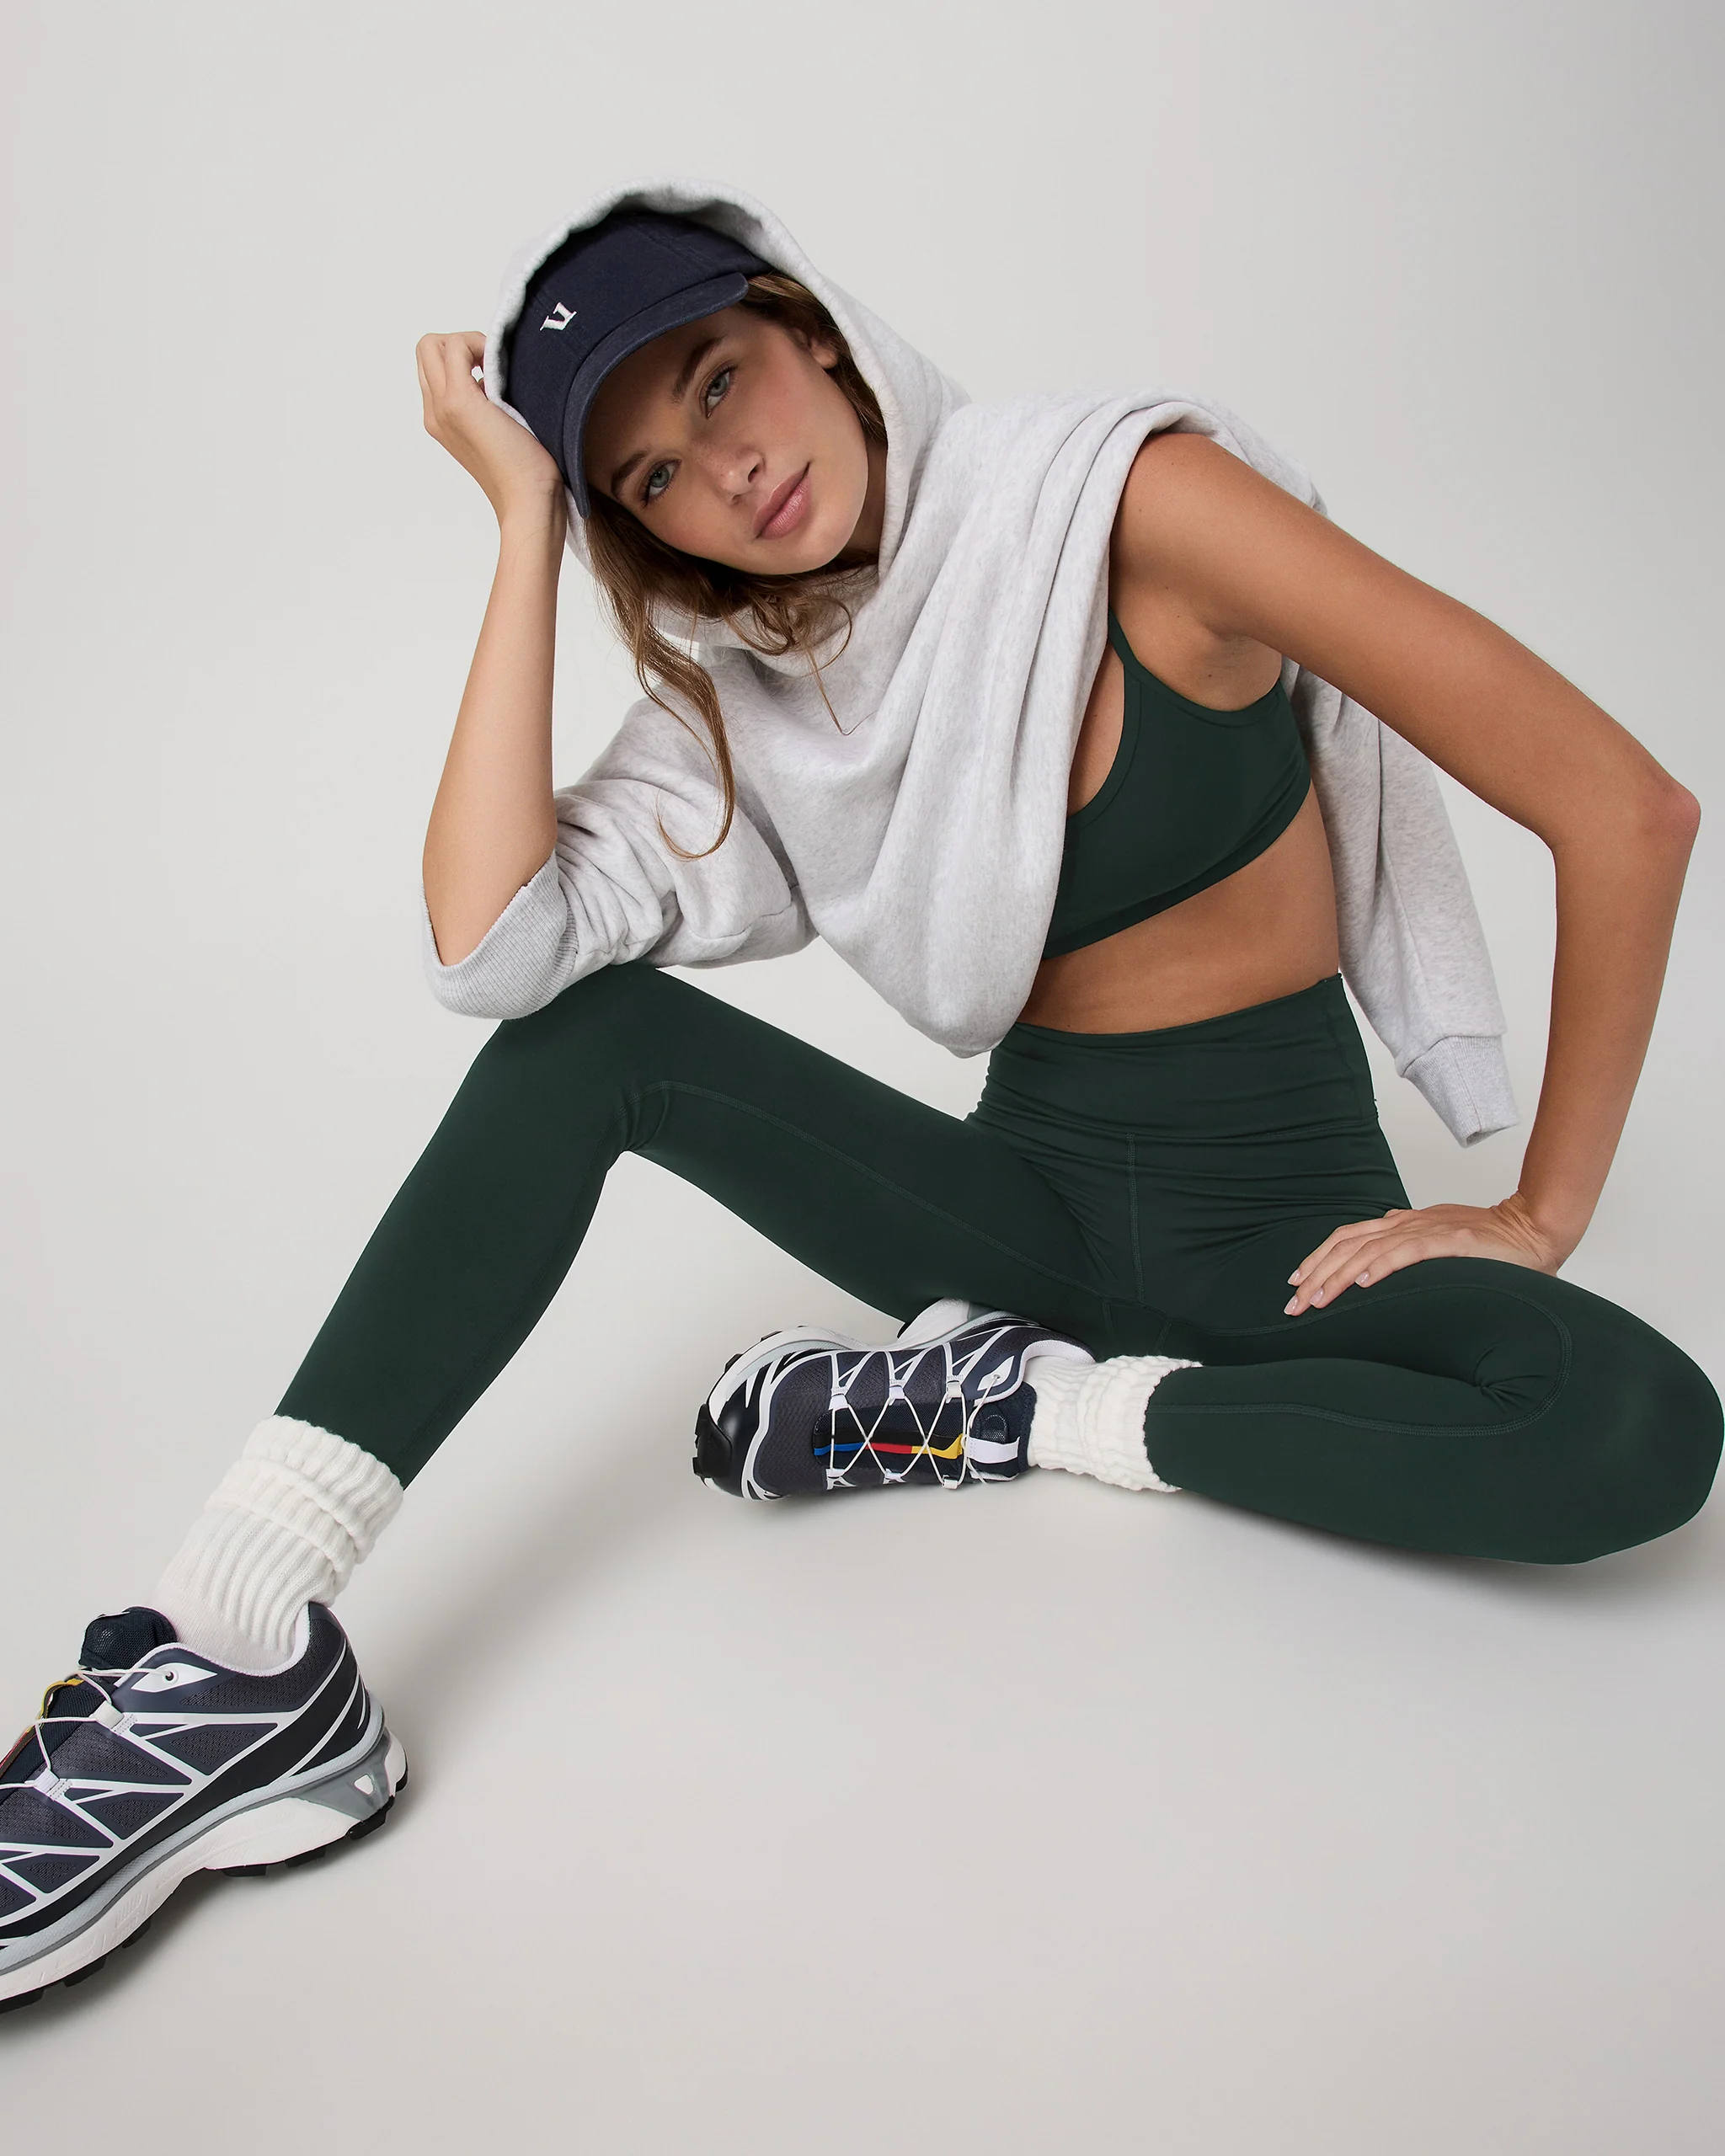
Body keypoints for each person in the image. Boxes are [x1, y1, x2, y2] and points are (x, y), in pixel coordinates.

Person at [3, 183, 1717, 2013]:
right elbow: (492, 949)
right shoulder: (764, 696)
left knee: (1634, 1429)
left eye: (718, 382)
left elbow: (1624, 808)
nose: (727, 470)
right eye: (651, 477)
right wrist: (523, 529)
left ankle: (1009, 1408)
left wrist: (1539, 1212)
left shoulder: (1132, 505)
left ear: (812, 331)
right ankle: (239, 1644)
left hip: (1290, 1246)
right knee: (587, 1039)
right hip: (1024, 1219)